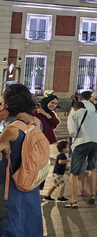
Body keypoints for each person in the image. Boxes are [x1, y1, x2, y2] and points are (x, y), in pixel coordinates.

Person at [0, 84, 43, 236]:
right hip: (30, 179)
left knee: (11, 220)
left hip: (10, 182)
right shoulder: (37, 123)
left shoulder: (12, 129)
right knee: (29, 218)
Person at [66, 100, 97, 208]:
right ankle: (92, 195)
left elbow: (72, 132)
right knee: (92, 169)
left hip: (81, 143)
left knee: (74, 172)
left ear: (75, 108)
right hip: (96, 142)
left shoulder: (73, 114)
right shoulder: (94, 115)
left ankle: (74, 200)